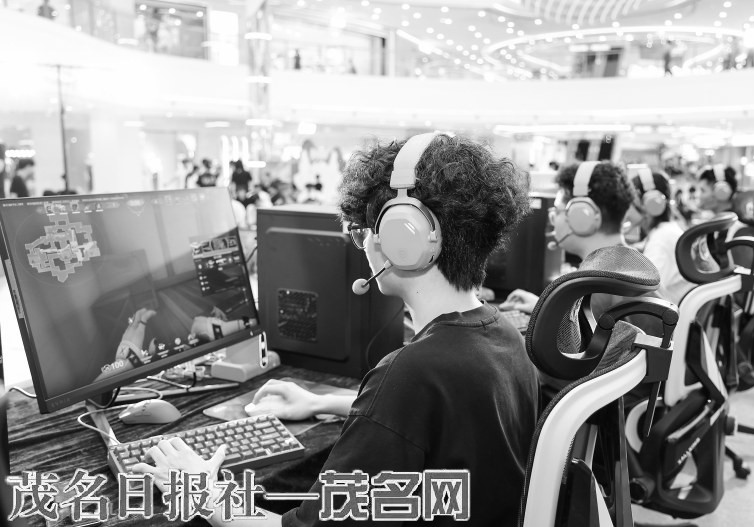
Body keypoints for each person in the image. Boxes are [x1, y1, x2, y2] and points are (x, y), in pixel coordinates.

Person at [132, 133, 541, 526]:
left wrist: (202, 491)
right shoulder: (504, 336)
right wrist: (321, 401)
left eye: (364, 231)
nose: (364, 245)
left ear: (403, 238)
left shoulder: (413, 372)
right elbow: (436, 419)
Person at [500, 161, 640, 316]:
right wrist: (541, 306)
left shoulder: (599, 285)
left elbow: (579, 327)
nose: (553, 218)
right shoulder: (629, 265)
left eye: (558, 210)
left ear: (582, 215)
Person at [629, 166, 694, 305]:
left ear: (650, 204)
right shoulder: (665, 231)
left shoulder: (661, 240)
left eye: (631, 203)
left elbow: (644, 290)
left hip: (668, 313)